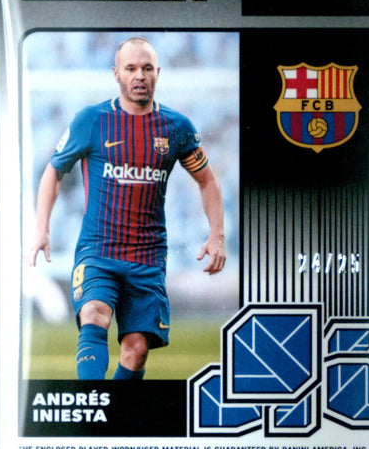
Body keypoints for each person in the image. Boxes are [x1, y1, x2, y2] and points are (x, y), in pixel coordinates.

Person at [27, 37, 226, 380]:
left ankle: (117, 411)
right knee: (94, 314)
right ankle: (94, 405)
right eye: (131, 68)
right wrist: (41, 228)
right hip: (98, 250)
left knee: (136, 350)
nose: (139, 76)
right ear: (116, 73)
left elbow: (207, 180)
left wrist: (217, 236)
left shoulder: (177, 127)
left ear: (158, 73)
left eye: (147, 68)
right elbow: (54, 171)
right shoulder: (92, 120)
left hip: (147, 257)